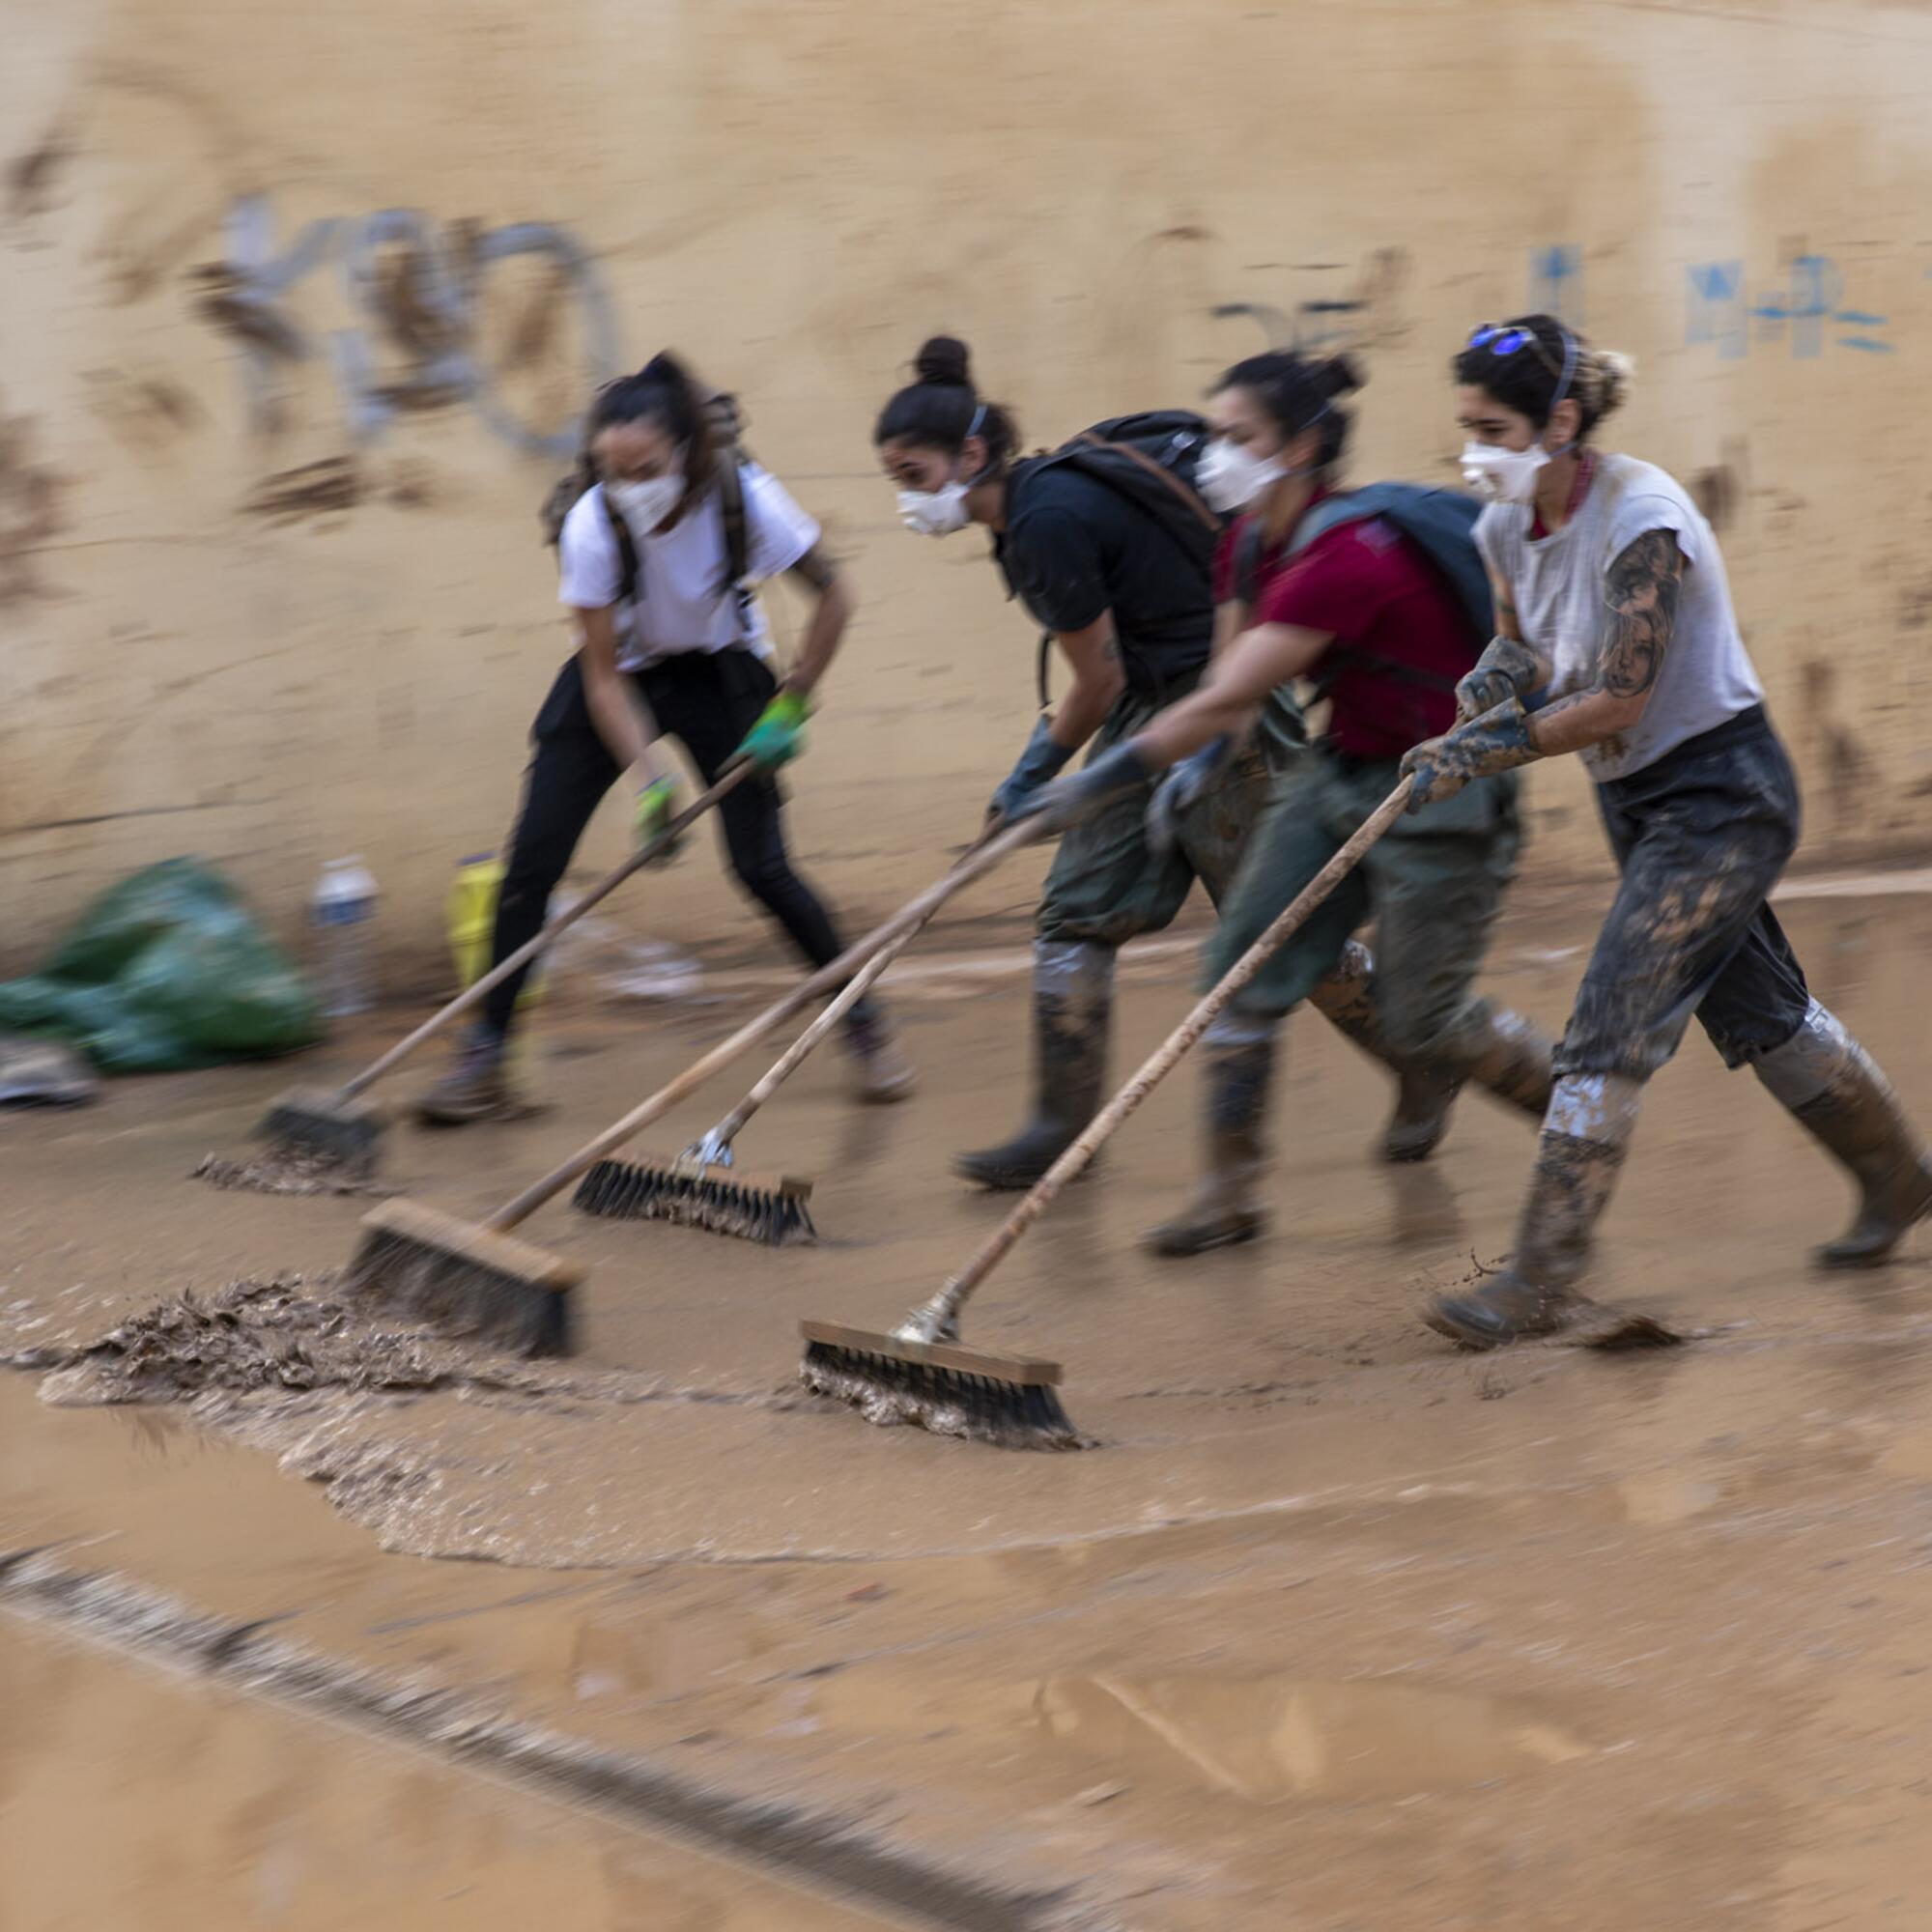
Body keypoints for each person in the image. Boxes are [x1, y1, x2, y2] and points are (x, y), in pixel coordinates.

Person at [1398, 314, 1932, 1345]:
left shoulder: (1641, 514)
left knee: (1611, 1013)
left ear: (1561, 418)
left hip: (1720, 792)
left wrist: (1486, 751)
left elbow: (1616, 696)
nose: (1474, 450)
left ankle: (1539, 1274)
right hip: (1634, 798)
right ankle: (1898, 1179)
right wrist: (1484, 685)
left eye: (1493, 427)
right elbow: (1520, 644)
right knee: (1760, 1015)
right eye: (1464, 425)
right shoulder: (1501, 525)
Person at [873, 335, 1455, 1193]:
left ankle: (1424, 1060)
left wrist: (1028, 782)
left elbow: (1093, 684)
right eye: (896, 482)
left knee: (1281, 931)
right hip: (1153, 705)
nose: (908, 501)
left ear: (969, 454)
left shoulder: (1043, 522)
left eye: (913, 478)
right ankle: (1059, 1128)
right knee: (1075, 913)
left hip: (1219, 711)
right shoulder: (1039, 499)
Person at [1010, 350, 1554, 1254]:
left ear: (1300, 447)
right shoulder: (1247, 540)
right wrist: (1191, 765)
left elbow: (1223, 698)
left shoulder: (1348, 554)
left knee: (1427, 1017)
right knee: (1242, 970)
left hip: (1438, 786)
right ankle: (1229, 1197)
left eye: (1237, 437)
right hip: (1338, 769)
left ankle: (1575, 1119)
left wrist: (1090, 783)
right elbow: (1230, 691)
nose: (1211, 455)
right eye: (1212, 432)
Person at [416, 354, 912, 1122]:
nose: (629, 488)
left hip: (722, 674)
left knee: (763, 869)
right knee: (530, 866)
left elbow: (836, 596)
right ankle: (485, 1060)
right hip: (624, 677)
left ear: (684, 452)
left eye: (644, 468)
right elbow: (604, 676)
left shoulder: (743, 495)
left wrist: (793, 705)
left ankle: (862, 1022)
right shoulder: (591, 524)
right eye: (612, 472)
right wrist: (649, 777)